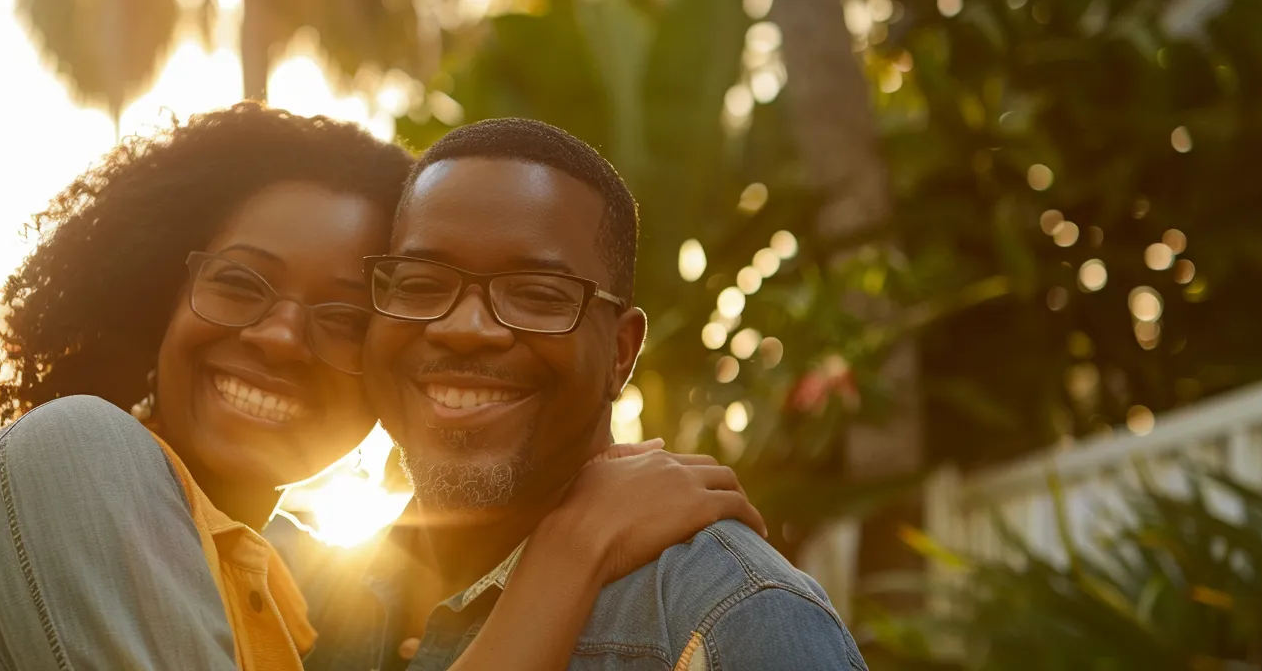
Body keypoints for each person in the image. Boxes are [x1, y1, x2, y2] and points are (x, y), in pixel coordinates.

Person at [0, 103, 766, 670]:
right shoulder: (78, 455)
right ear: (161, 291)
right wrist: (573, 547)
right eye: (239, 283)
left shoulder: (295, 588)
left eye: (343, 317)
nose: (276, 337)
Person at [293, 118, 868, 670]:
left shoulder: (729, 619)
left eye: (538, 295)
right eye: (420, 284)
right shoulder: (305, 604)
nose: (465, 328)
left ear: (621, 352)